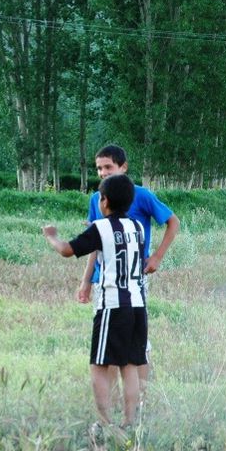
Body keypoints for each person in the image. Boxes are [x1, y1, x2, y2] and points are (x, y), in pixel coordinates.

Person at [43, 174, 146, 436]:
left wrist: (52, 237)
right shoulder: (138, 227)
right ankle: (131, 422)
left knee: (99, 364)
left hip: (112, 305)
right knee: (130, 364)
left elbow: (67, 250)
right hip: (137, 305)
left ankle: (103, 423)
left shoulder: (100, 229)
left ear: (104, 201)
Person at [81, 145, 179, 388]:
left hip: (135, 279)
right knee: (109, 341)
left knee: (137, 339)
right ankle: (114, 398)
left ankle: (142, 398)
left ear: (123, 168)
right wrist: (86, 281)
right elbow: (95, 242)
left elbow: (172, 221)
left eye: (108, 167)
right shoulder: (97, 200)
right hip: (106, 281)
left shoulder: (141, 195)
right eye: (99, 168)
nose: (103, 173)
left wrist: (156, 257)